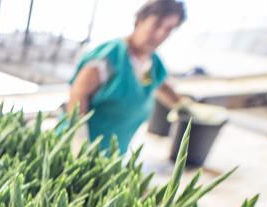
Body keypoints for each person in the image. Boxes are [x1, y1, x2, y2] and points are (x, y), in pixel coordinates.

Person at [67, 0, 188, 154]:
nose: (160, 34)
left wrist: (186, 106)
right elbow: (78, 95)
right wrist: (78, 140)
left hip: (114, 153)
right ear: (140, 21)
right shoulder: (109, 57)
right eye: (157, 24)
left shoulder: (153, 63)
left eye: (169, 29)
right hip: (80, 150)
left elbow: (161, 87)